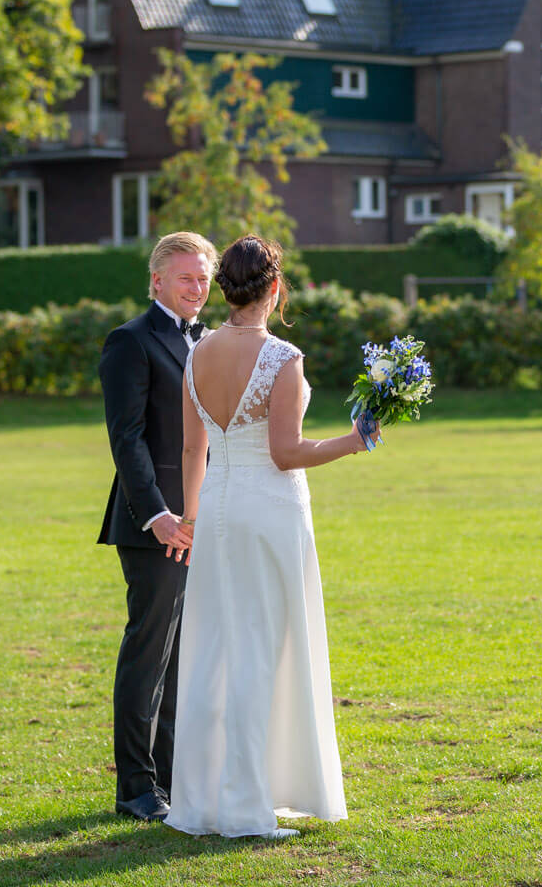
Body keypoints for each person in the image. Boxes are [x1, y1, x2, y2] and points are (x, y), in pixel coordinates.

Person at [166, 235, 380, 840]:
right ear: (276, 288)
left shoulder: (196, 353)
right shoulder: (283, 357)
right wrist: (354, 442)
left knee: (216, 650)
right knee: (264, 649)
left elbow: (193, 449)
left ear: (226, 290)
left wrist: (190, 517)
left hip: (217, 509)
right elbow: (286, 452)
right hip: (268, 511)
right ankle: (244, 808)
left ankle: (206, 801)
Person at [97, 231, 217, 822]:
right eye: (186, 277)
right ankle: (136, 788)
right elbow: (127, 439)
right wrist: (158, 516)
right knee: (149, 653)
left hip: (206, 518)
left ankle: (172, 778)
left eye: (203, 278)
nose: (197, 288)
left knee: (183, 655)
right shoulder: (130, 341)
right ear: (157, 281)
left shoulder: (211, 341)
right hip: (155, 524)